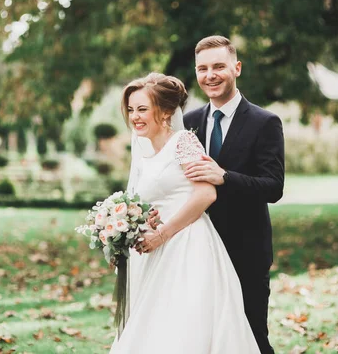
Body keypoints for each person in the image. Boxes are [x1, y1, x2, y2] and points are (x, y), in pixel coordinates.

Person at [109, 72, 260, 354]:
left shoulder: (184, 143)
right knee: (154, 327)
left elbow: (206, 194)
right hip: (155, 250)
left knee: (184, 326)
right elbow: (156, 198)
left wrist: (163, 233)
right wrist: (140, 222)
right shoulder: (143, 149)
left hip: (188, 247)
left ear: (165, 111)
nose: (134, 117)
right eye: (131, 110)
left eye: (142, 109)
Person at [183, 35, 285, 354]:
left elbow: (273, 187)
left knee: (251, 337)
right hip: (197, 251)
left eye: (218, 67)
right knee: (206, 339)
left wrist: (224, 177)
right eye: (202, 68)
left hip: (246, 251)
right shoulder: (188, 123)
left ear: (236, 68)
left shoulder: (265, 122)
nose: (210, 75)